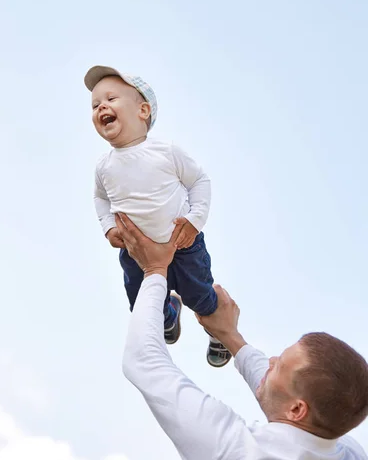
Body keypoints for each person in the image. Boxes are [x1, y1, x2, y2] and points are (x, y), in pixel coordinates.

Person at [116, 212, 368, 460]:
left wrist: (155, 269)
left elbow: (142, 361)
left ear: (296, 410)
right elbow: (288, 394)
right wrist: (232, 338)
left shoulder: (235, 450)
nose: (270, 361)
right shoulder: (344, 447)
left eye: (279, 366)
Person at [84, 65, 230, 366]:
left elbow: (199, 181)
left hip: (183, 244)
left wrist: (194, 220)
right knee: (143, 302)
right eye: (96, 105)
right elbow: (100, 198)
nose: (102, 107)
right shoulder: (104, 166)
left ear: (143, 109)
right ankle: (168, 318)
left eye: (111, 99)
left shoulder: (166, 151)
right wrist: (108, 227)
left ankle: (218, 330)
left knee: (199, 295)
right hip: (136, 252)